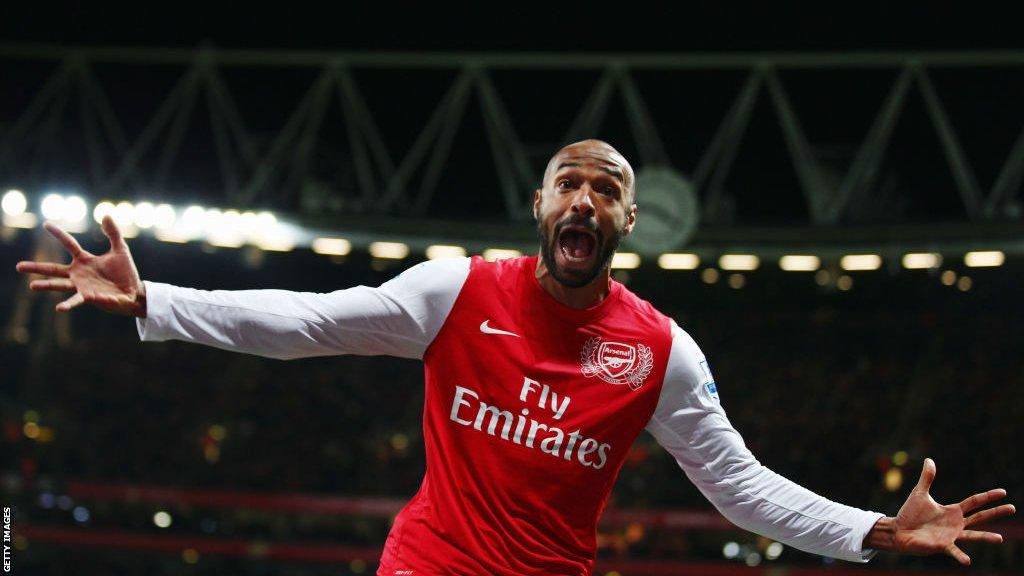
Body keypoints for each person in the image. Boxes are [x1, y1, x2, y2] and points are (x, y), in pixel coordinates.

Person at [16, 140, 1014, 575]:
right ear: (540, 207)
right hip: (428, 562)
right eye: (565, 184)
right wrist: (159, 298)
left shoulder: (659, 352)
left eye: (603, 189)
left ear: (628, 219)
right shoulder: (457, 292)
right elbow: (309, 323)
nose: (582, 200)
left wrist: (876, 532)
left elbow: (742, 489)